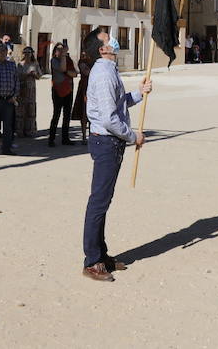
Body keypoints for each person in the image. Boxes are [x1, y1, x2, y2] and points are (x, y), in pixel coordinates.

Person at [81, 30, 153, 282]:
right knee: (98, 202)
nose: (113, 39)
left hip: (111, 142)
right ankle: (91, 261)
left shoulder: (109, 71)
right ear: (102, 49)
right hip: (106, 142)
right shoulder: (102, 74)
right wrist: (134, 137)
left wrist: (138, 93)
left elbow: (117, 103)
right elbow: (110, 119)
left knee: (104, 201)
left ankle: (101, 255)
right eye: (107, 37)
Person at [48, 42, 78, 147]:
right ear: (55, 51)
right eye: (59, 49)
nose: (61, 51)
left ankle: (65, 138)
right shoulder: (54, 61)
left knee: (67, 115)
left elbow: (75, 73)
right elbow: (63, 69)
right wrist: (64, 56)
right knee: (56, 114)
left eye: (63, 49)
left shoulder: (68, 60)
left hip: (68, 90)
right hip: (57, 90)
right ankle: (51, 139)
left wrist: (68, 72)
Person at [17, 46, 41, 138]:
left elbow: (39, 76)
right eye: (25, 53)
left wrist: (35, 74)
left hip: (31, 90)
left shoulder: (35, 64)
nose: (27, 55)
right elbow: (17, 77)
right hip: (22, 89)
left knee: (30, 110)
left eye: (29, 53)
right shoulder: (20, 65)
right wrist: (26, 74)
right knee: (21, 110)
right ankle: (20, 130)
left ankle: (30, 130)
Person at [74, 45, 95, 144]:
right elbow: (87, 72)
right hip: (84, 88)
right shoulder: (82, 62)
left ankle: (91, 135)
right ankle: (83, 136)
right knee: (84, 112)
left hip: (92, 87)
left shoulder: (93, 62)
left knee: (93, 112)